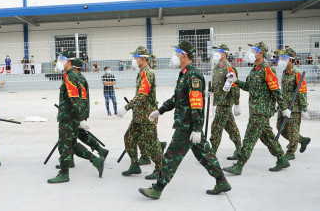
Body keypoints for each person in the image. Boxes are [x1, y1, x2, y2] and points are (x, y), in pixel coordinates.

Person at [139, 40, 231, 200]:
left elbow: (197, 104)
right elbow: (176, 99)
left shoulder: (193, 75)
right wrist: (159, 111)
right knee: (205, 155)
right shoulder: (184, 74)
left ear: (183, 55)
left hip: (187, 126)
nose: (174, 56)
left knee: (170, 157)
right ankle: (221, 181)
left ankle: (158, 188)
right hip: (187, 124)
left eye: (176, 53)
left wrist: (196, 128)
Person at [223, 41, 290, 175]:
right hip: (256, 109)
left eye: (254, 51)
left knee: (249, 137)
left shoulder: (267, 69)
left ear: (261, 53)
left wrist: (283, 108)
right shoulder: (255, 70)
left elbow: (276, 90)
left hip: (262, 111)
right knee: (266, 137)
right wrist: (235, 80)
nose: (251, 53)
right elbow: (248, 87)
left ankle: (239, 165)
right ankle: (282, 159)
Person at [47, 50, 104, 183]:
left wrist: (81, 119)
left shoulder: (70, 77)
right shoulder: (71, 75)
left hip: (68, 117)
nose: (59, 62)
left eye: (61, 60)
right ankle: (95, 160)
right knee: (71, 144)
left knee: (64, 146)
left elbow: (75, 99)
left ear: (68, 62)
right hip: (70, 116)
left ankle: (64, 173)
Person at [117, 46, 163, 180]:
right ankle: (134, 165)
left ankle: (160, 169)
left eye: (136, 58)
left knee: (152, 144)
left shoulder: (148, 73)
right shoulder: (142, 73)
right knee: (129, 137)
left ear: (142, 59)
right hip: (138, 115)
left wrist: (126, 107)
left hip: (147, 115)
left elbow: (142, 95)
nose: (135, 60)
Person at [55, 58, 109, 170]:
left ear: (73, 66)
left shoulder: (78, 78)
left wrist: (81, 117)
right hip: (75, 113)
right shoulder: (74, 77)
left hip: (77, 113)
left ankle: (98, 151)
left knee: (73, 139)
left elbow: (81, 98)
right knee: (74, 138)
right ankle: (72, 159)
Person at [276, 49, 311, 160]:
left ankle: (291, 151)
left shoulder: (297, 74)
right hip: (284, 106)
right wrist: (279, 103)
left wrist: (304, 109)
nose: (281, 61)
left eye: (284, 59)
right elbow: (283, 90)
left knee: (292, 131)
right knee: (279, 127)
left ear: (291, 60)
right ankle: (302, 140)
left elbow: (302, 91)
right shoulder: (285, 72)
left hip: (294, 108)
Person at [210, 44, 242, 160]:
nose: (216, 52)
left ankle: (211, 152)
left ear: (225, 53)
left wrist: (237, 104)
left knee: (216, 127)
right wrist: (211, 92)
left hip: (225, 102)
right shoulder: (217, 67)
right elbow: (217, 84)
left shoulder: (228, 68)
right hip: (219, 101)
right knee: (231, 127)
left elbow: (234, 86)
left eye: (219, 51)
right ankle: (240, 149)